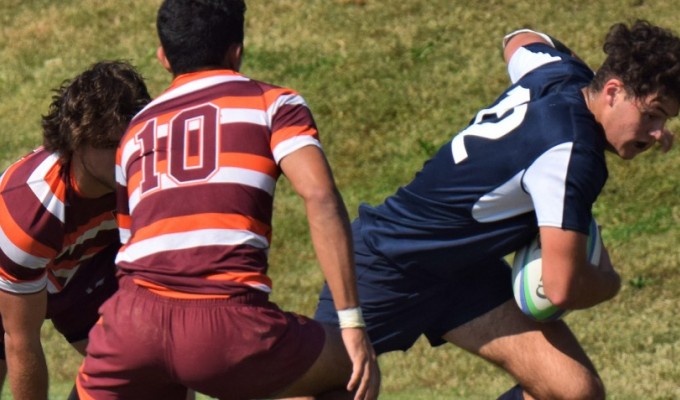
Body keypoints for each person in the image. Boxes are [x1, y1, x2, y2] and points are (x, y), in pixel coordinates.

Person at [315, 20, 680, 400]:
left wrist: (588, 79)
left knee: (573, 392)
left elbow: (521, 38)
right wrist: (609, 281)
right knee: (317, 392)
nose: (659, 134)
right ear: (612, 91)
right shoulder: (571, 155)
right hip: (387, 264)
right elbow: (559, 288)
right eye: (652, 115)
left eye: (666, 119)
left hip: (464, 272)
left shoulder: (559, 73)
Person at [76, 1, 380, 399]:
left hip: (130, 326)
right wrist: (352, 323)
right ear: (236, 51)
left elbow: (129, 243)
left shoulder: (135, 130)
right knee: (353, 370)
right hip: (225, 323)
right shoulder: (275, 105)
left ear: (163, 58)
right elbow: (320, 196)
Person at [0, 61, 151, 399]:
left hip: (83, 266)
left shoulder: (145, 172)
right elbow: (22, 343)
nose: (129, 155)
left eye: (135, 139)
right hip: (9, 279)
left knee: (152, 372)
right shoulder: (28, 212)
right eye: (114, 143)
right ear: (79, 139)